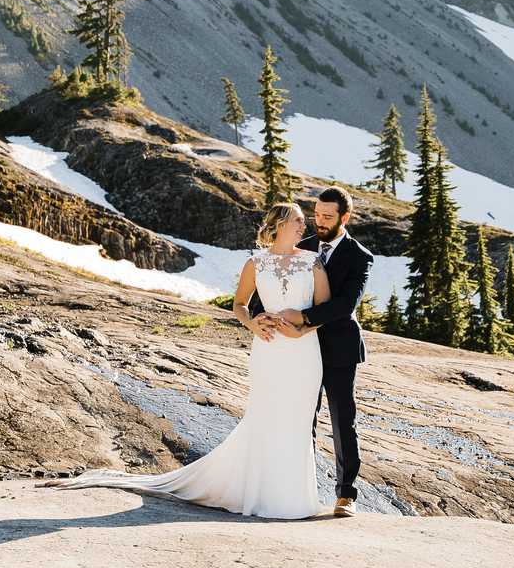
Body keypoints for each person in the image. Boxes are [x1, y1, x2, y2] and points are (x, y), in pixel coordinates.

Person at [57, 202, 328, 519]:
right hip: (268, 350)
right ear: (281, 223)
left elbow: (323, 308)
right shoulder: (256, 263)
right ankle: (263, 495)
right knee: (266, 417)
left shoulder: (313, 262)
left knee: (296, 419)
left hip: (304, 352)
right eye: (297, 220)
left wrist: (300, 331)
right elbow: (240, 305)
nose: (303, 226)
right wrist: (253, 324)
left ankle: (293, 499)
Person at [256, 185, 373, 518]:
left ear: (344, 217)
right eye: (316, 215)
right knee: (300, 416)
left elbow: (345, 304)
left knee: (341, 418)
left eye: (327, 216)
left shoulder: (359, 256)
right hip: (299, 349)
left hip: (339, 348)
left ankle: (346, 494)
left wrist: (305, 318)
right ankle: (297, 487)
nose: (319, 221)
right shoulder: (300, 247)